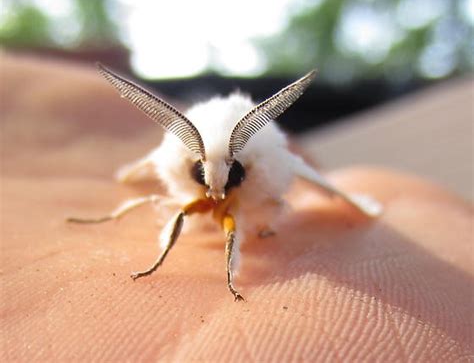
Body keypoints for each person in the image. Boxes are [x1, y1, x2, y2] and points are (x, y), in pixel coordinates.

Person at [1, 53, 472, 361]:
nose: (216, 191)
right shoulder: (183, 162)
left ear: (252, 169)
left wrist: (351, 204)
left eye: (232, 179)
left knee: (229, 226)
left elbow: (293, 186)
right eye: (204, 178)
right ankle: (124, 227)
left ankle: (232, 274)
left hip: (259, 205)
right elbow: (151, 172)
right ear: (190, 165)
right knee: (178, 209)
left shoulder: (270, 163)